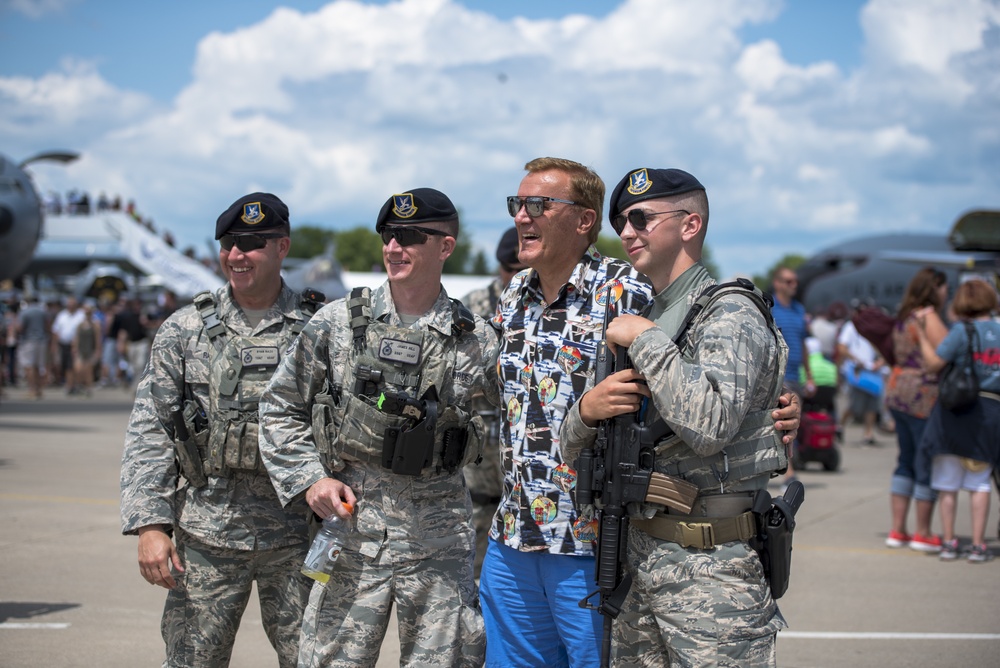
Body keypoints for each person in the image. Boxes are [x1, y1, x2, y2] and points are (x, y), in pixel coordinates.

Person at [481, 158, 801, 668]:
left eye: (537, 204)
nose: (522, 216)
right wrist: (586, 410)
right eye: (517, 205)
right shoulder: (515, 296)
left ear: (689, 224)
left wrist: (775, 402)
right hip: (589, 542)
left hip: (655, 550)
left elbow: (716, 409)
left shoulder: (634, 297)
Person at [258, 188, 499, 668]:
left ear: (445, 247)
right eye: (388, 236)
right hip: (351, 536)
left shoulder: (478, 342)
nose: (394, 248)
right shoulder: (336, 325)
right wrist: (310, 480)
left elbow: (516, 433)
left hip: (439, 543)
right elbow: (279, 408)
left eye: (410, 237)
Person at [120, 193, 317, 667]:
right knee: (193, 660)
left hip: (298, 537)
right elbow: (151, 430)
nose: (236, 256)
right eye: (229, 244)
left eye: (251, 244)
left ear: (282, 247)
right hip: (207, 537)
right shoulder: (183, 330)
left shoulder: (319, 328)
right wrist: (151, 525)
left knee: (314, 660)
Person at [916, 278, 1000, 563]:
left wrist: (923, 334)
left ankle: (950, 541)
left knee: (948, 480)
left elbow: (933, 364)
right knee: (980, 481)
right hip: (991, 410)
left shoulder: (962, 331)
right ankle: (978, 545)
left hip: (956, 409)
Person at [460, 225, 525, 579]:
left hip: (523, 473)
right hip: (479, 469)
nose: (514, 275)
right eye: (508, 268)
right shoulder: (473, 307)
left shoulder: (541, 304)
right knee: (472, 570)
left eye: (520, 267)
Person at [882, 267, 948, 552]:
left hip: (898, 392)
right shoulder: (927, 316)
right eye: (945, 287)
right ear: (935, 288)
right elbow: (946, 350)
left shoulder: (903, 316)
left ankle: (898, 530)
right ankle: (923, 531)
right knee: (926, 461)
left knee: (906, 458)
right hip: (923, 395)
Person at [771, 266, 812, 488]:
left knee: (793, 423)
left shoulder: (798, 310)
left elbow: (804, 344)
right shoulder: (771, 308)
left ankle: (787, 466)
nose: (793, 285)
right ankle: (789, 471)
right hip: (779, 375)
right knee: (783, 423)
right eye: (788, 281)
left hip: (797, 374)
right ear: (777, 283)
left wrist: (811, 375)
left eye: (794, 281)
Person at [837, 308, 885, 445]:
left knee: (872, 404)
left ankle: (868, 434)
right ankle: (840, 426)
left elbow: (881, 347)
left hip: (872, 371)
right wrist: (856, 359)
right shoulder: (851, 327)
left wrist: (879, 362)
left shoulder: (872, 328)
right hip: (857, 371)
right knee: (855, 405)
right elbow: (842, 347)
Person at [16, 295, 49, 399]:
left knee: (29, 366)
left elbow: (20, 327)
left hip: (28, 341)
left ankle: (32, 390)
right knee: (38, 366)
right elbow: (48, 326)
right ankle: (39, 390)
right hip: (42, 340)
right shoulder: (43, 312)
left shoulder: (25, 312)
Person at [51, 296, 85, 393]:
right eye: (69, 304)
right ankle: (70, 384)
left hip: (77, 345)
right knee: (65, 365)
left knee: (74, 366)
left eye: (72, 304)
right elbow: (56, 330)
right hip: (64, 344)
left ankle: (74, 384)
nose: (70, 306)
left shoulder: (80, 315)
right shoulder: (62, 315)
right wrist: (54, 344)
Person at [72, 301, 102, 397]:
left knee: (88, 370)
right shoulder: (80, 325)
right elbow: (76, 337)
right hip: (81, 350)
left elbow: (98, 339)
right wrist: (74, 348)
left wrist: (98, 350)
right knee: (78, 369)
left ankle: (88, 388)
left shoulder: (95, 325)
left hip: (90, 350)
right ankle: (80, 385)